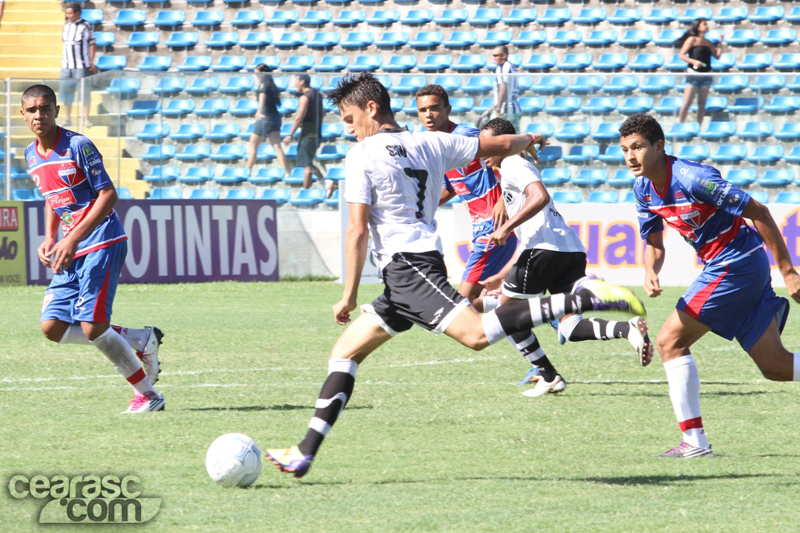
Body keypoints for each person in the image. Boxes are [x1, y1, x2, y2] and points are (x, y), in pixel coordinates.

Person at [264, 73, 646, 478]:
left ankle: (582, 300)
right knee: (344, 353)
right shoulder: (432, 141)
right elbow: (498, 144)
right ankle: (303, 452)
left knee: (477, 334)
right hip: (408, 273)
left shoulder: (362, 155)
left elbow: (357, 229)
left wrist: (348, 294)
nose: (348, 127)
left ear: (371, 109)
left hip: (408, 267)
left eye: (349, 117)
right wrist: (530, 139)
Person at [620, 113, 800, 458]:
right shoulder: (643, 187)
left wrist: (788, 270)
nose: (630, 156)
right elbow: (655, 243)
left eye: (638, 147)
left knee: (669, 341)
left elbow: (758, 212)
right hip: (736, 266)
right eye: (626, 149)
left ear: (659, 147)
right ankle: (695, 443)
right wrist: (649, 271)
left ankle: (694, 443)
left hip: (736, 263)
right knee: (775, 366)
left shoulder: (695, 179)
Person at [479, 118, 653, 397]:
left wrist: (505, 227)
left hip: (543, 249)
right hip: (568, 250)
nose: (483, 150)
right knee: (569, 326)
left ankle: (549, 376)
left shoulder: (512, 163)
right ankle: (626, 328)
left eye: (488, 144)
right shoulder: (514, 163)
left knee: (506, 316)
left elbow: (540, 197)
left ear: (505, 143)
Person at [20, 84, 165, 413]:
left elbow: (108, 195)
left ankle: (149, 395)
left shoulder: (78, 146)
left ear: (57, 110)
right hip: (70, 249)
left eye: (45, 108)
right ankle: (141, 339)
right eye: (32, 110)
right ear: (23, 114)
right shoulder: (30, 155)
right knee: (52, 326)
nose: (39, 115)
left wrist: (71, 239)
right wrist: (50, 237)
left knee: (93, 326)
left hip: (101, 241)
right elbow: (52, 197)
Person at [416, 84, 566, 393]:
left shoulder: (470, 137)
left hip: (493, 231)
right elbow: (452, 187)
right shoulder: (435, 147)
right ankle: (544, 360)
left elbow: (511, 149)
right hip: (482, 232)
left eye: (433, 108)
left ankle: (546, 315)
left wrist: (503, 198)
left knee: (465, 302)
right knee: (486, 304)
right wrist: (424, 204)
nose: (428, 115)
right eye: (422, 110)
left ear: (447, 109)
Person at [246, 64, 290, 178]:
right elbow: (266, 98)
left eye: (256, 73)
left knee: (253, 146)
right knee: (277, 146)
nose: (255, 75)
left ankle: (247, 171)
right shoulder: (272, 84)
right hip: (275, 117)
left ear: (262, 73)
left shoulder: (263, 83)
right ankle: (287, 172)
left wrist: (259, 110)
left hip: (265, 117)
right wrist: (256, 98)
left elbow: (263, 94)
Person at [676, 18, 722, 124]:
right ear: (698, 27)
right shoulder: (692, 40)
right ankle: (680, 124)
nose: (707, 26)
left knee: (702, 104)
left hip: (706, 75)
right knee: (687, 102)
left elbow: (717, 56)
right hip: (693, 74)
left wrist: (720, 44)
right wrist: (694, 62)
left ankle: (699, 125)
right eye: (704, 24)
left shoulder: (708, 42)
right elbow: (681, 55)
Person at [60, 3, 97, 129]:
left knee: (84, 93)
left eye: (70, 13)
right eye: (67, 13)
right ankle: (67, 118)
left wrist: (91, 62)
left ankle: (86, 118)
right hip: (66, 65)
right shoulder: (66, 25)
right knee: (66, 93)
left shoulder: (85, 25)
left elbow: (92, 43)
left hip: (81, 65)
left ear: (77, 13)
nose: (68, 16)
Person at [283, 74, 323, 190]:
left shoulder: (305, 97)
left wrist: (290, 134)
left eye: (296, 81)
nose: (294, 84)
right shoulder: (318, 95)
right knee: (309, 163)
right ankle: (326, 182)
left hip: (307, 134)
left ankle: (306, 190)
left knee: (306, 165)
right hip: (317, 132)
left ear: (302, 82)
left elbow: (299, 117)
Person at [489, 46, 521, 132]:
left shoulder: (504, 67)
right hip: (513, 108)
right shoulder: (511, 66)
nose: (494, 58)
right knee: (515, 136)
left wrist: (498, 109)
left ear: (504, 56)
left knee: (493, 133)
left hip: (505, 110)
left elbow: (503, 88)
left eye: (496, 55)